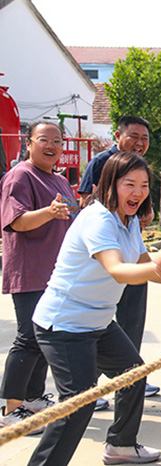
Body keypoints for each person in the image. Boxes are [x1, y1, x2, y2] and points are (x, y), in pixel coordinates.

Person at [29, 152, 161, 466]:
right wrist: (156, 269)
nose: (138, 192)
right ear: (111, 184)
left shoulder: (128, 221)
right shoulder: (97, 218)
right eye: (129, 184)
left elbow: (140, 264)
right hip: (65, 325)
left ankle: (121, 446)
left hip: (97, 321)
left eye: (144, 185)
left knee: (134, 376)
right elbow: (117, 269)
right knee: (77, 406)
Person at [0, 122, 76, 433]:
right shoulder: (19, 176)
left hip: (55, 274)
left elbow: (70, 220)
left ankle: (32, 399)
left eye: (57, 141)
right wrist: (49, 211)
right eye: (43, 139)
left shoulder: (60, 180)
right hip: (30, 271)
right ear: (28, 143)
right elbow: (16, 221)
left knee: (45, 336)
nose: (52, 146)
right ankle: (10, 408)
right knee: (28, 339)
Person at [78, 116, 159, 402]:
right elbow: (86, 200)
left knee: (133, 317)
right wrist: (119, 213)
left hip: (131, 249)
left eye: (145, 138)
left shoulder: (139, 168)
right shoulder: (103, 162)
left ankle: (130, 375)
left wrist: (139, 215)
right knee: (99, 324)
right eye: (134, 136)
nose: (140, 143)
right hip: (106, 256)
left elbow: (139, 209)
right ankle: (90, 387)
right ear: (118, 135)